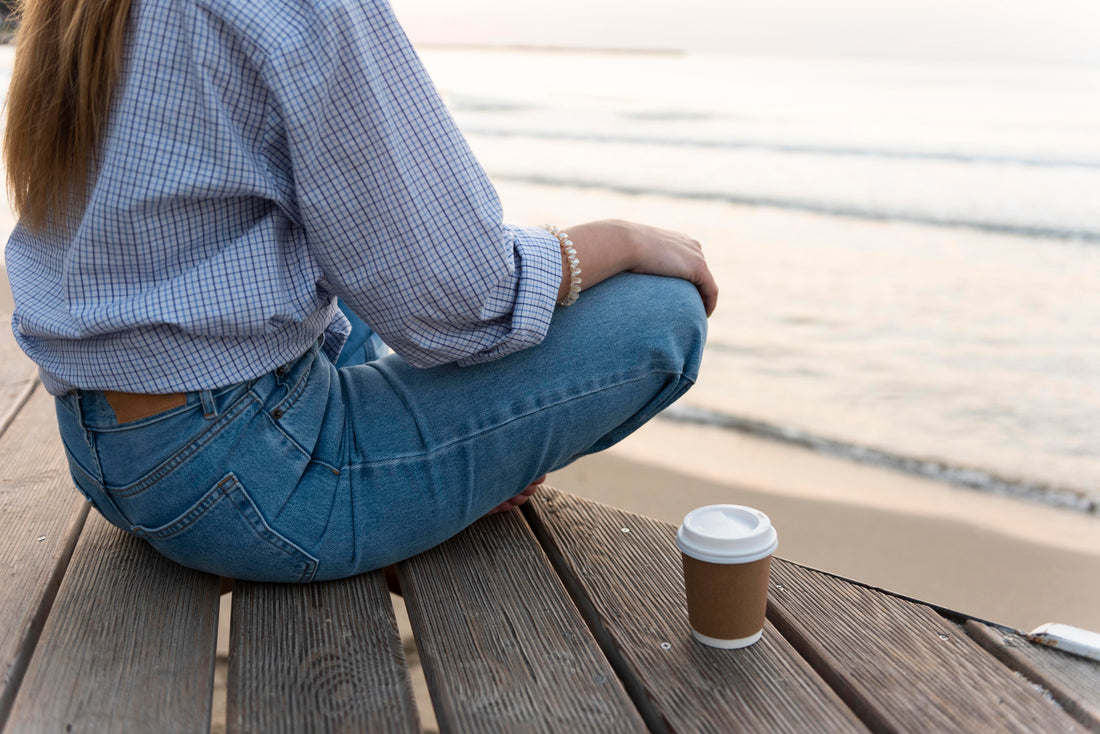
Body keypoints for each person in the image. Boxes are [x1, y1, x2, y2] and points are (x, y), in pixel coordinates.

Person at [3, 0, 717, 582]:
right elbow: (462, 297)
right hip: (249, 486)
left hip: (103, 446)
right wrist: (617, 240)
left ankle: (456, 456)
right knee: (661, 311)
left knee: (355, 295)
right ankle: (462, 467)